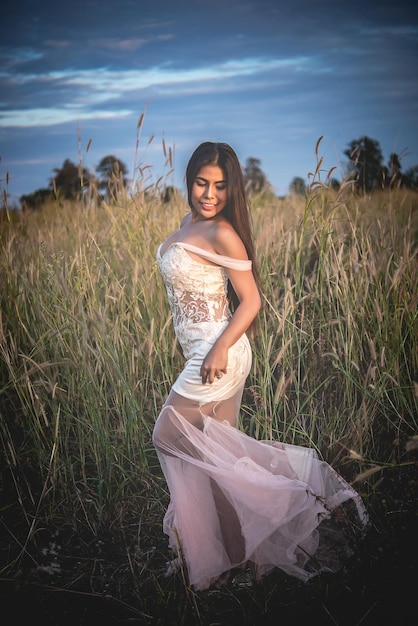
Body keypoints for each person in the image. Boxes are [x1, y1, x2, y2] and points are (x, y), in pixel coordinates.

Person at [152, 141, 368, 591]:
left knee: (168, 434)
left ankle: (287, 491)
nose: (209, 194)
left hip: (220, 354)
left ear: (231, 191)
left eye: (220, 186)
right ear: (188, 180)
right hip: (204, 350)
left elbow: (251, 302)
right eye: (201, 183)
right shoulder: (189, 224)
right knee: (219, 455)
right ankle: (237, 558)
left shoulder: (222, 233)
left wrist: (215, 349)